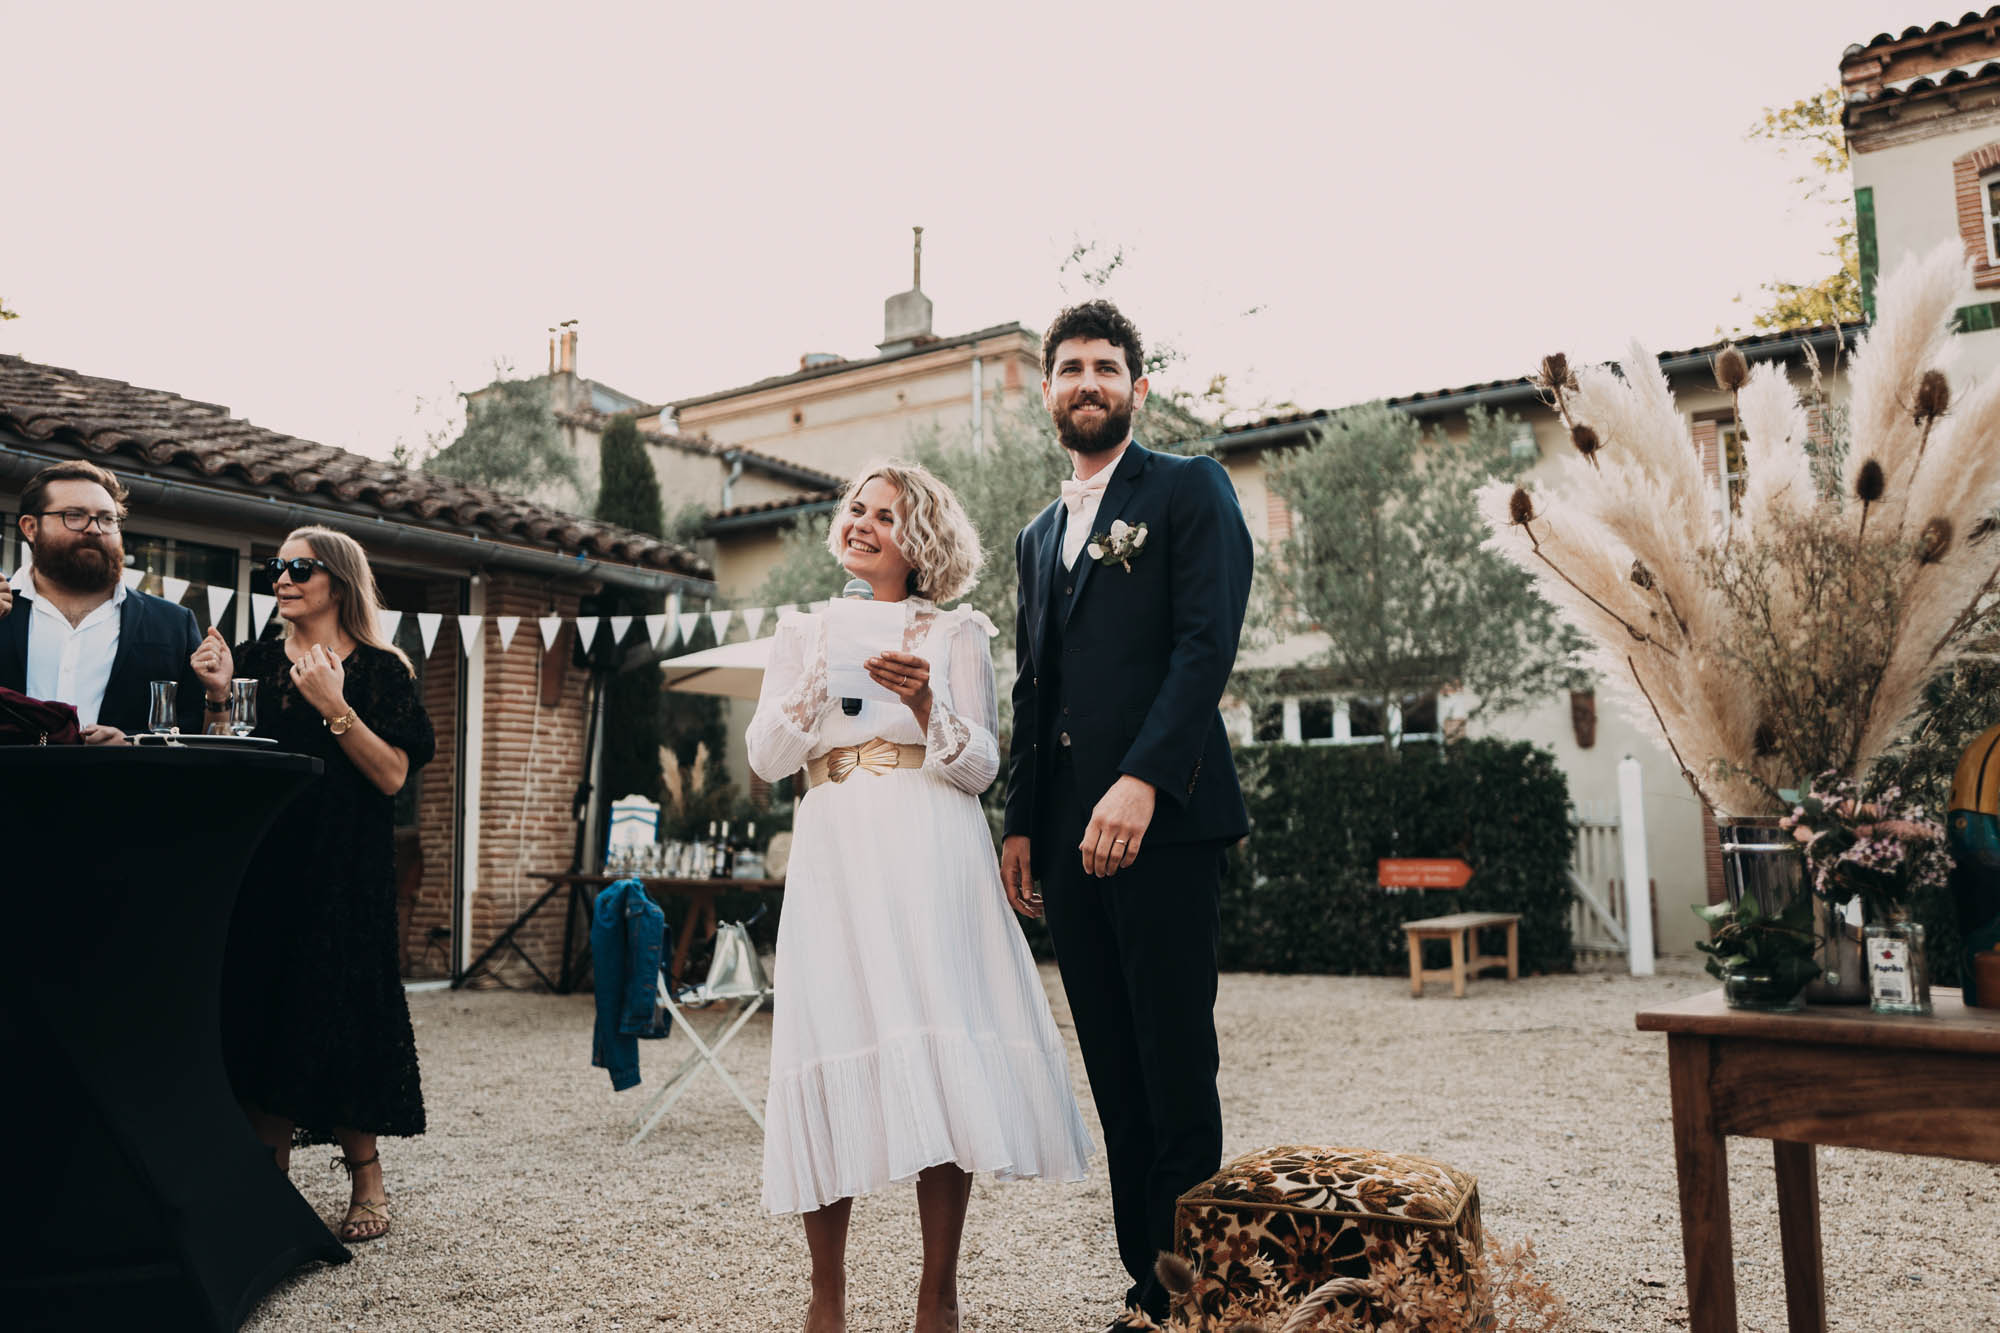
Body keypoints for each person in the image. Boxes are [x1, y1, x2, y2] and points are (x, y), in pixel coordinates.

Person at [747, 460, 1091, 1333]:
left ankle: (937, 1292)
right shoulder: (801, 630)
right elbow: (764, 758)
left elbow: (979, 766)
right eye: (857, 509)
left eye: (886, 515)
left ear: (922, 538)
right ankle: (827, 1295)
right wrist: (812, 689)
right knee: (830, 1042)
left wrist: (929, 697)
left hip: (929, 843)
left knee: (940, 1058)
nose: (861, 522)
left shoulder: (957, 632)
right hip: (834, 848)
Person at [1000, 300, 1254, 1328]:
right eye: (1068, 367)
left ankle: (1190, 1294)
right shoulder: (1034, 537)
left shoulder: (1188, 489)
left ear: (1136, 389)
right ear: (1049, 393)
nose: (1087, 380)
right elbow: (1033, 689)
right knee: (1111, 1065)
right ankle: (1146, 1285)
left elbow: (1204, 644)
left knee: (1172, 1062)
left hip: (1164, 822)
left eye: (1105, 365)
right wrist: (1018, 821)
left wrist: (1143, 778)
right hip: (1064, 839)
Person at [191, 525, 435, 1244]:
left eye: (299, 566)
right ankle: (269, 1186)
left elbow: (392, 773)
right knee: (266, 1015)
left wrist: (334, 702)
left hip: (345, 870)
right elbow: (226, 760)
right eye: (277, 565)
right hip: (263, 863)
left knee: (342, 1017)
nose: (283, 577)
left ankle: (367, 1178)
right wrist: (215, 697)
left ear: (339, 580)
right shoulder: (259, 660)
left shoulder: (382, 670)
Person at [1, 460, 206, 740]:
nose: (94, 529)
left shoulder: (173, 625)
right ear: (30, 527)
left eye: (107, 519)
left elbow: (194, 730)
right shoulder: (3, 608)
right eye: (74, 515)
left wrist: (134, 745)